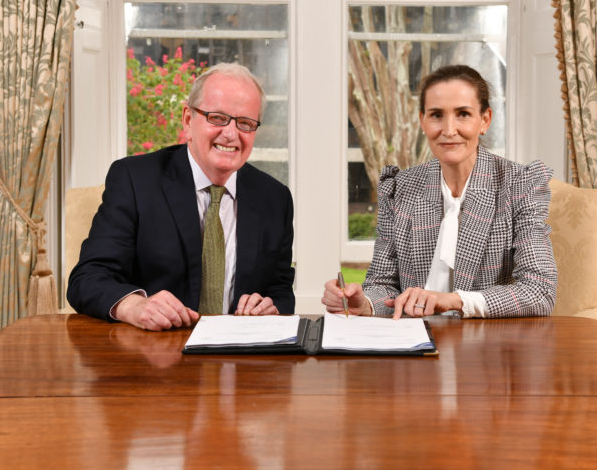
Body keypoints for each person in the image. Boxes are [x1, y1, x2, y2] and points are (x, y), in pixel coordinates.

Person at [68, 63, 295, 330]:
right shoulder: (134, 180)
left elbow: (280, 290)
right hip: (153, 347)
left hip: (238, 350)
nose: (231, 134)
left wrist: (271, 307)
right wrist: (135, 306)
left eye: (245, 123)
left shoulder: (275, 198)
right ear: (188, 120)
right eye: (217, 118)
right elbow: (88, 278)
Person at [323, 65, 556, 319]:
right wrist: (365, 303)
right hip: (413, 337)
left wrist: (454, 301)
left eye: (463, 114)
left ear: (485, 120)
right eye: (436, 115)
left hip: (487, 340)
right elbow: (384, 284)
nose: (448, 130)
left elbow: (540, 291)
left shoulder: (520, 184)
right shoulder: (400, 187)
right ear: (422, 121)